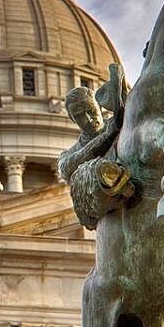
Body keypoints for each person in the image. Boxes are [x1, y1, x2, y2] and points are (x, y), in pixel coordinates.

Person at [58, 64, 134, 229]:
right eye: (79, 115)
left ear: (99, 107)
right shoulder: (71, 153)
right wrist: (107, 137)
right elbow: (65, 168)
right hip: (99, 200)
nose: (88, 118)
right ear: (73, 121)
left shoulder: (124, 126)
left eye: (91, 110)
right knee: (91, 170)